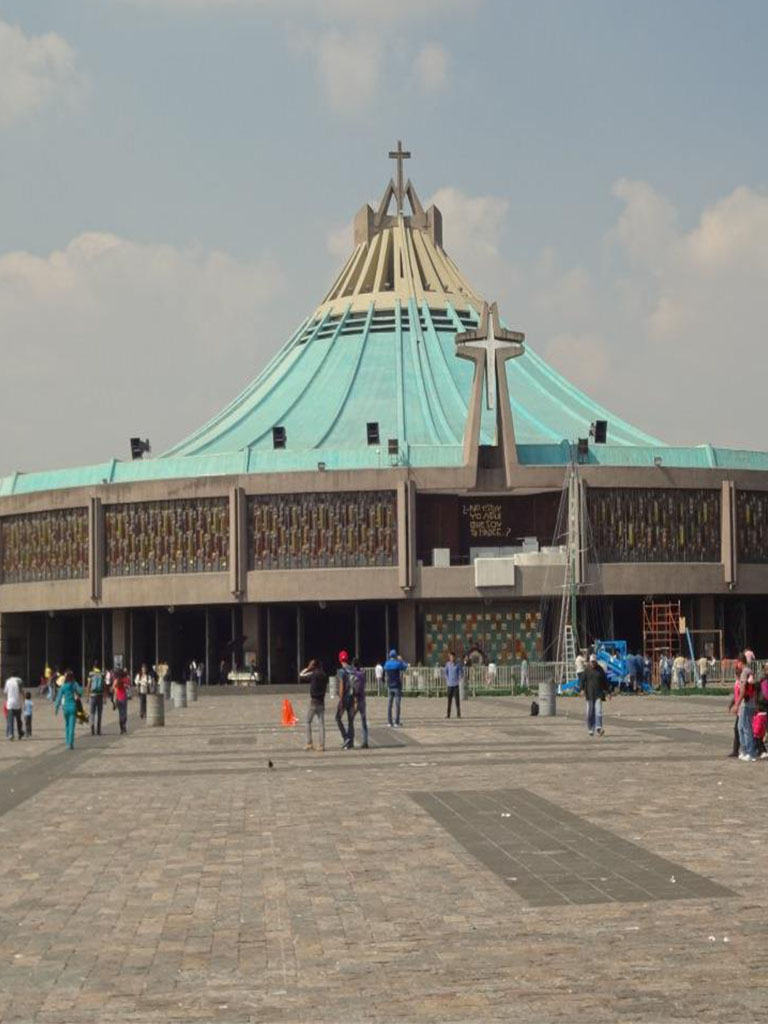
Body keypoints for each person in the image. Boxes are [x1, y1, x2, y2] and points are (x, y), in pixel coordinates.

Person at [300, 658, 328, 751]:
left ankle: (309, 743)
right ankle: (321, 745)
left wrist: (308, 668)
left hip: (314, 701)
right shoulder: (324, 675)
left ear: (314, 666)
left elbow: (301, 675)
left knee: (308, 721)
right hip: (322, 701)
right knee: (321, 724)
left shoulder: (313, 674)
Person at [580, 653, 610, 736]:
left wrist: (608, 692)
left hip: (598, 694)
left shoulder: (600, 670)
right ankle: (590, 728)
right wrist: (581, 689)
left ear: (596, 661)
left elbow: (605, 682)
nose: (593, 663)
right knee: (590, 712)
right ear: (589, 662)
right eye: (591, 662)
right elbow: (582, 680)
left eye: (594, 662)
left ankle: (599, 728)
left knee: (598, 711)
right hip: (589, 694)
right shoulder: (587, 669)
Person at [735, 657, 757, 762]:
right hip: (751, 702)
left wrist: (737, 704)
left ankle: (750, 752)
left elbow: (743, 690)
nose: (737, 665)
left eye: (737, 663)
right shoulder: (750, 671)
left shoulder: (744, 673)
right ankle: (744, 750)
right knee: (740, 727)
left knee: (746, 728)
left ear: (740, 662)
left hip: (746, 703)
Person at [54, 670, 83, 750]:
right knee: (72, 726)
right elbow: (81, 691)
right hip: (73, 707)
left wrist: (56, 707)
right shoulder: (74, 685)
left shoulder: (63, 686)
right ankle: (71, 743)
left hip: (65, 707)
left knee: (67, 725)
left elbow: (59, 697)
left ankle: (67, 742)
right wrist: (77, 684)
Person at [335, 650, 355, 749]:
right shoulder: (353, 670)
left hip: (345, 698)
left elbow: (341, 686)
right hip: (352, 698)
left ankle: (345, 737)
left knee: (338, 718)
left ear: (340, 660)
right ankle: (350, 743)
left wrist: (341, 700)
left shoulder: (341, 671)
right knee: (350, 721)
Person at [384, 648, 408, 727]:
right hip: (397, 686)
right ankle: (396, 722)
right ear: (395, 656)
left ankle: (389, 722)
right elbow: (405, 667)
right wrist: (401, 660)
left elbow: (385, 668)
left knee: (389, 705)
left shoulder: (387, 663)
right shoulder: (397, 663)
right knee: (397, 705)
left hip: (390, 686)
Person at [351, 658, 368, 748]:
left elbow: (355, 689)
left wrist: (355, 700)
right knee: (363, 721)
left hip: (356, 700)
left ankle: (350, 741)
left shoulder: (354, 674)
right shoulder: (362, 674)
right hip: (363, 699)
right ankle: (365, 741)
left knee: (350, 720)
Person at [3, 674, 24, 740]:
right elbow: (22, 691)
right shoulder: (19, 680)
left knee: (10, 720)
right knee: (19, 720)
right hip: (17, 704)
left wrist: (6, 701)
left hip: (10, 704)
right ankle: (20, 733)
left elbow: (5, 692)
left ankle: (11, 734)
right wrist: (24, 700)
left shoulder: (8, 681)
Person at [87, 664, 105, 736]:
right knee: (99, 713)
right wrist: (105, 697)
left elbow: (89, 685)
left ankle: (92, 727)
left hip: (92, 696)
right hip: (100, 696)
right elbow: (104, 686)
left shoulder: (91, 674)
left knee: (92, 713)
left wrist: (87, 696)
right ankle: (98, 730)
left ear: (94, 667)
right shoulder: (102, 675)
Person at [444, 651, 463, 718]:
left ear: (454, 657)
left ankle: (458, 714)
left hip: (455, 685)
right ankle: (448, 714)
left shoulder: (458, 665)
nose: (452, 658)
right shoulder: (447, 664)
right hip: (449, 685)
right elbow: (445, 673)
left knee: (457, 701)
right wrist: (447, 679)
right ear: (449, 658)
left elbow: (461, 672)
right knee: (449, 701)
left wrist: (459, 679)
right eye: (451, 657)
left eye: (453, 657)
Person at [113, 670, 129, 734]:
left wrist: (114, 700)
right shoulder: (124, 680)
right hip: (124, 698)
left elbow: (113, 689)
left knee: (120, 714)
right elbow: (128, 687)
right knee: (124, 713)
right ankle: (124, 725)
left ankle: (121, 729)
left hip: (118, 699)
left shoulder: (116, 681)